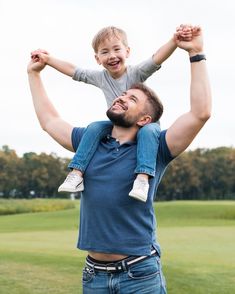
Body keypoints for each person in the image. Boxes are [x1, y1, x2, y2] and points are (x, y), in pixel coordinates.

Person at [28, 25, 211, 293]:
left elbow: (200, 113)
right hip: (94, 276)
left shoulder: (156, 147)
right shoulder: (89, 144)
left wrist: (196, 53)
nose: (122, 97)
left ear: (145, 118)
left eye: (132, 98)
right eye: (123, 94)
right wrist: (34, 74)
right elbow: (49, 120)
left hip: (139, 274)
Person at [31, 25, 193, 202]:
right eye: (105, 52)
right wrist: (47, 59)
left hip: (144, 126)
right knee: (95, 127)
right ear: (97, 58)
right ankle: (77, 173)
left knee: (148, 132)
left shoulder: (136, 73)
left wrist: (174, 42)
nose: (112, 56)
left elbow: (156, 59)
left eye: (117, 49)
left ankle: (142, 178)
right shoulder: (101, 78)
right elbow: (73, 71)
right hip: (118, 125)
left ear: (127, 51)